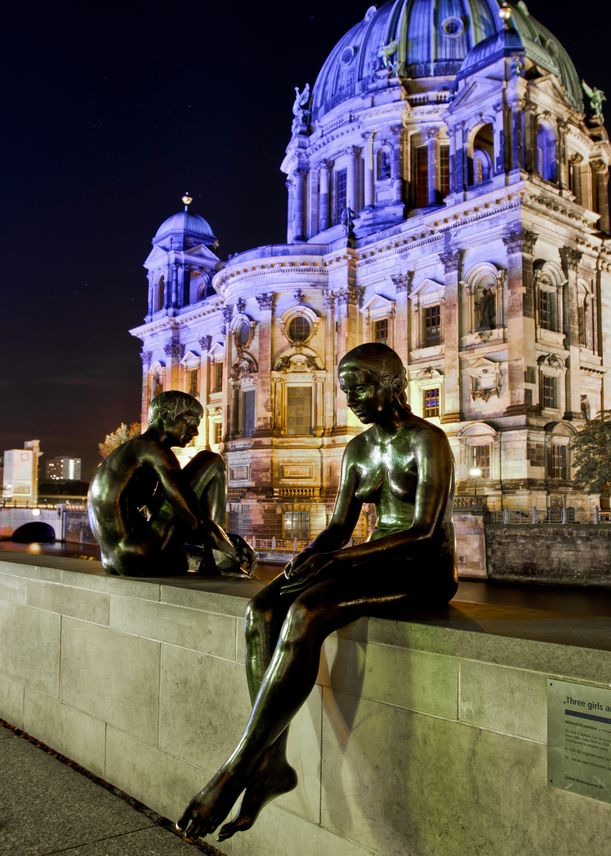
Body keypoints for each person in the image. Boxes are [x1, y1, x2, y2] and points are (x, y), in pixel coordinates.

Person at [177, 343, 458, 843]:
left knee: (308, 611)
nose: (351, 398)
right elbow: (339, 527)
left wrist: (339, 560)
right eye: (346, 389)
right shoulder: (359, 449)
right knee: (261, 609)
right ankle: (272, 763)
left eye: (361, 387)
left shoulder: (428, 440)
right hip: (375, 561)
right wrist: (310, 555)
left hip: (424, 570)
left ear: (392, 385)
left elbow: (424, 530)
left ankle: (237, 768)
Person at [88, 390, 253, 577]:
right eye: (190, 421)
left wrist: (227, 540)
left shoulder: (128, 453)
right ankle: (219, 559)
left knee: (195, 556)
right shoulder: (154, 450)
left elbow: (167, 517)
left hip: (114, 561)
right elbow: (193, 516)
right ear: (166, 416)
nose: (195, 431)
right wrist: (231, 550)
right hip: (142, 553)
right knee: (211, 461)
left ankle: (211, 558)